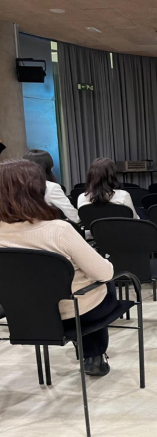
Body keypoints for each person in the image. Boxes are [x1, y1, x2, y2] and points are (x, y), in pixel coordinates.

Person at [0, 159, 115, 376]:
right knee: (104, 285)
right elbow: (104, 273)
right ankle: (94, 356)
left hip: (23, 316)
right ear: (36, 190)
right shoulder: (59, 230)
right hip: (76, 314)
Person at [23, 149, 80, 224]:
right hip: (46, 228)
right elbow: (74, 217)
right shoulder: (51, 187)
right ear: (49, 167)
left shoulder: (16, 186)